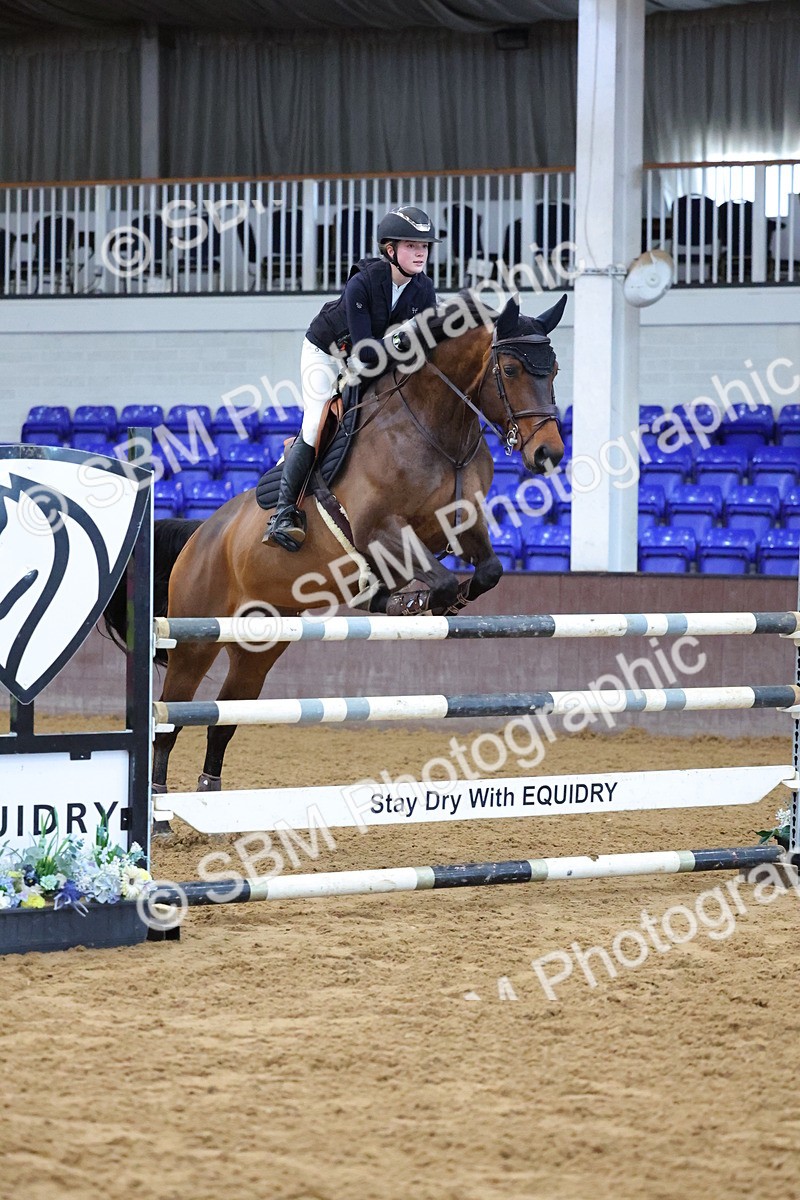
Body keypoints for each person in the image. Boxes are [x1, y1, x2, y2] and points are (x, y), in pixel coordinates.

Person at [263, 205, 439, 550]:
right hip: (327, 354)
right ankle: (284, 513)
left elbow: (426, 352)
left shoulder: (425, 290)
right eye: (411, 246)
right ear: (390, 250)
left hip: (376, 362)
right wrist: (405, 339)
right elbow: (364, 354)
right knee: (315, 423)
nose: (421, 253)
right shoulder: (363, 283)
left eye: (425, 247)